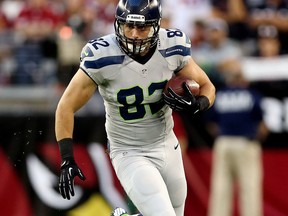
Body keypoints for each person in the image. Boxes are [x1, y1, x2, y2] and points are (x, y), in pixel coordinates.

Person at [55, 0, 216, 216]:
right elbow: (65, 106)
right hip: (129, 150)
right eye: (128, 25)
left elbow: (207, 86)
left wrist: (199, 104)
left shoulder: (171, 47)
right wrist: (67, 158)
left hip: (167, 143)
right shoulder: (102, 56)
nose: (134, 33)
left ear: (157, 26)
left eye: (142, 27)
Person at [206, 64, 268, 216]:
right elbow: (262, 125)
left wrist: (222, 134)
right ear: (243, 79)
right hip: (245, 142)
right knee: (249, 188)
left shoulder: (219, 94)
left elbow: (210, 123)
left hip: (223, 143)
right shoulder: (251, 95)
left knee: (220, 188)